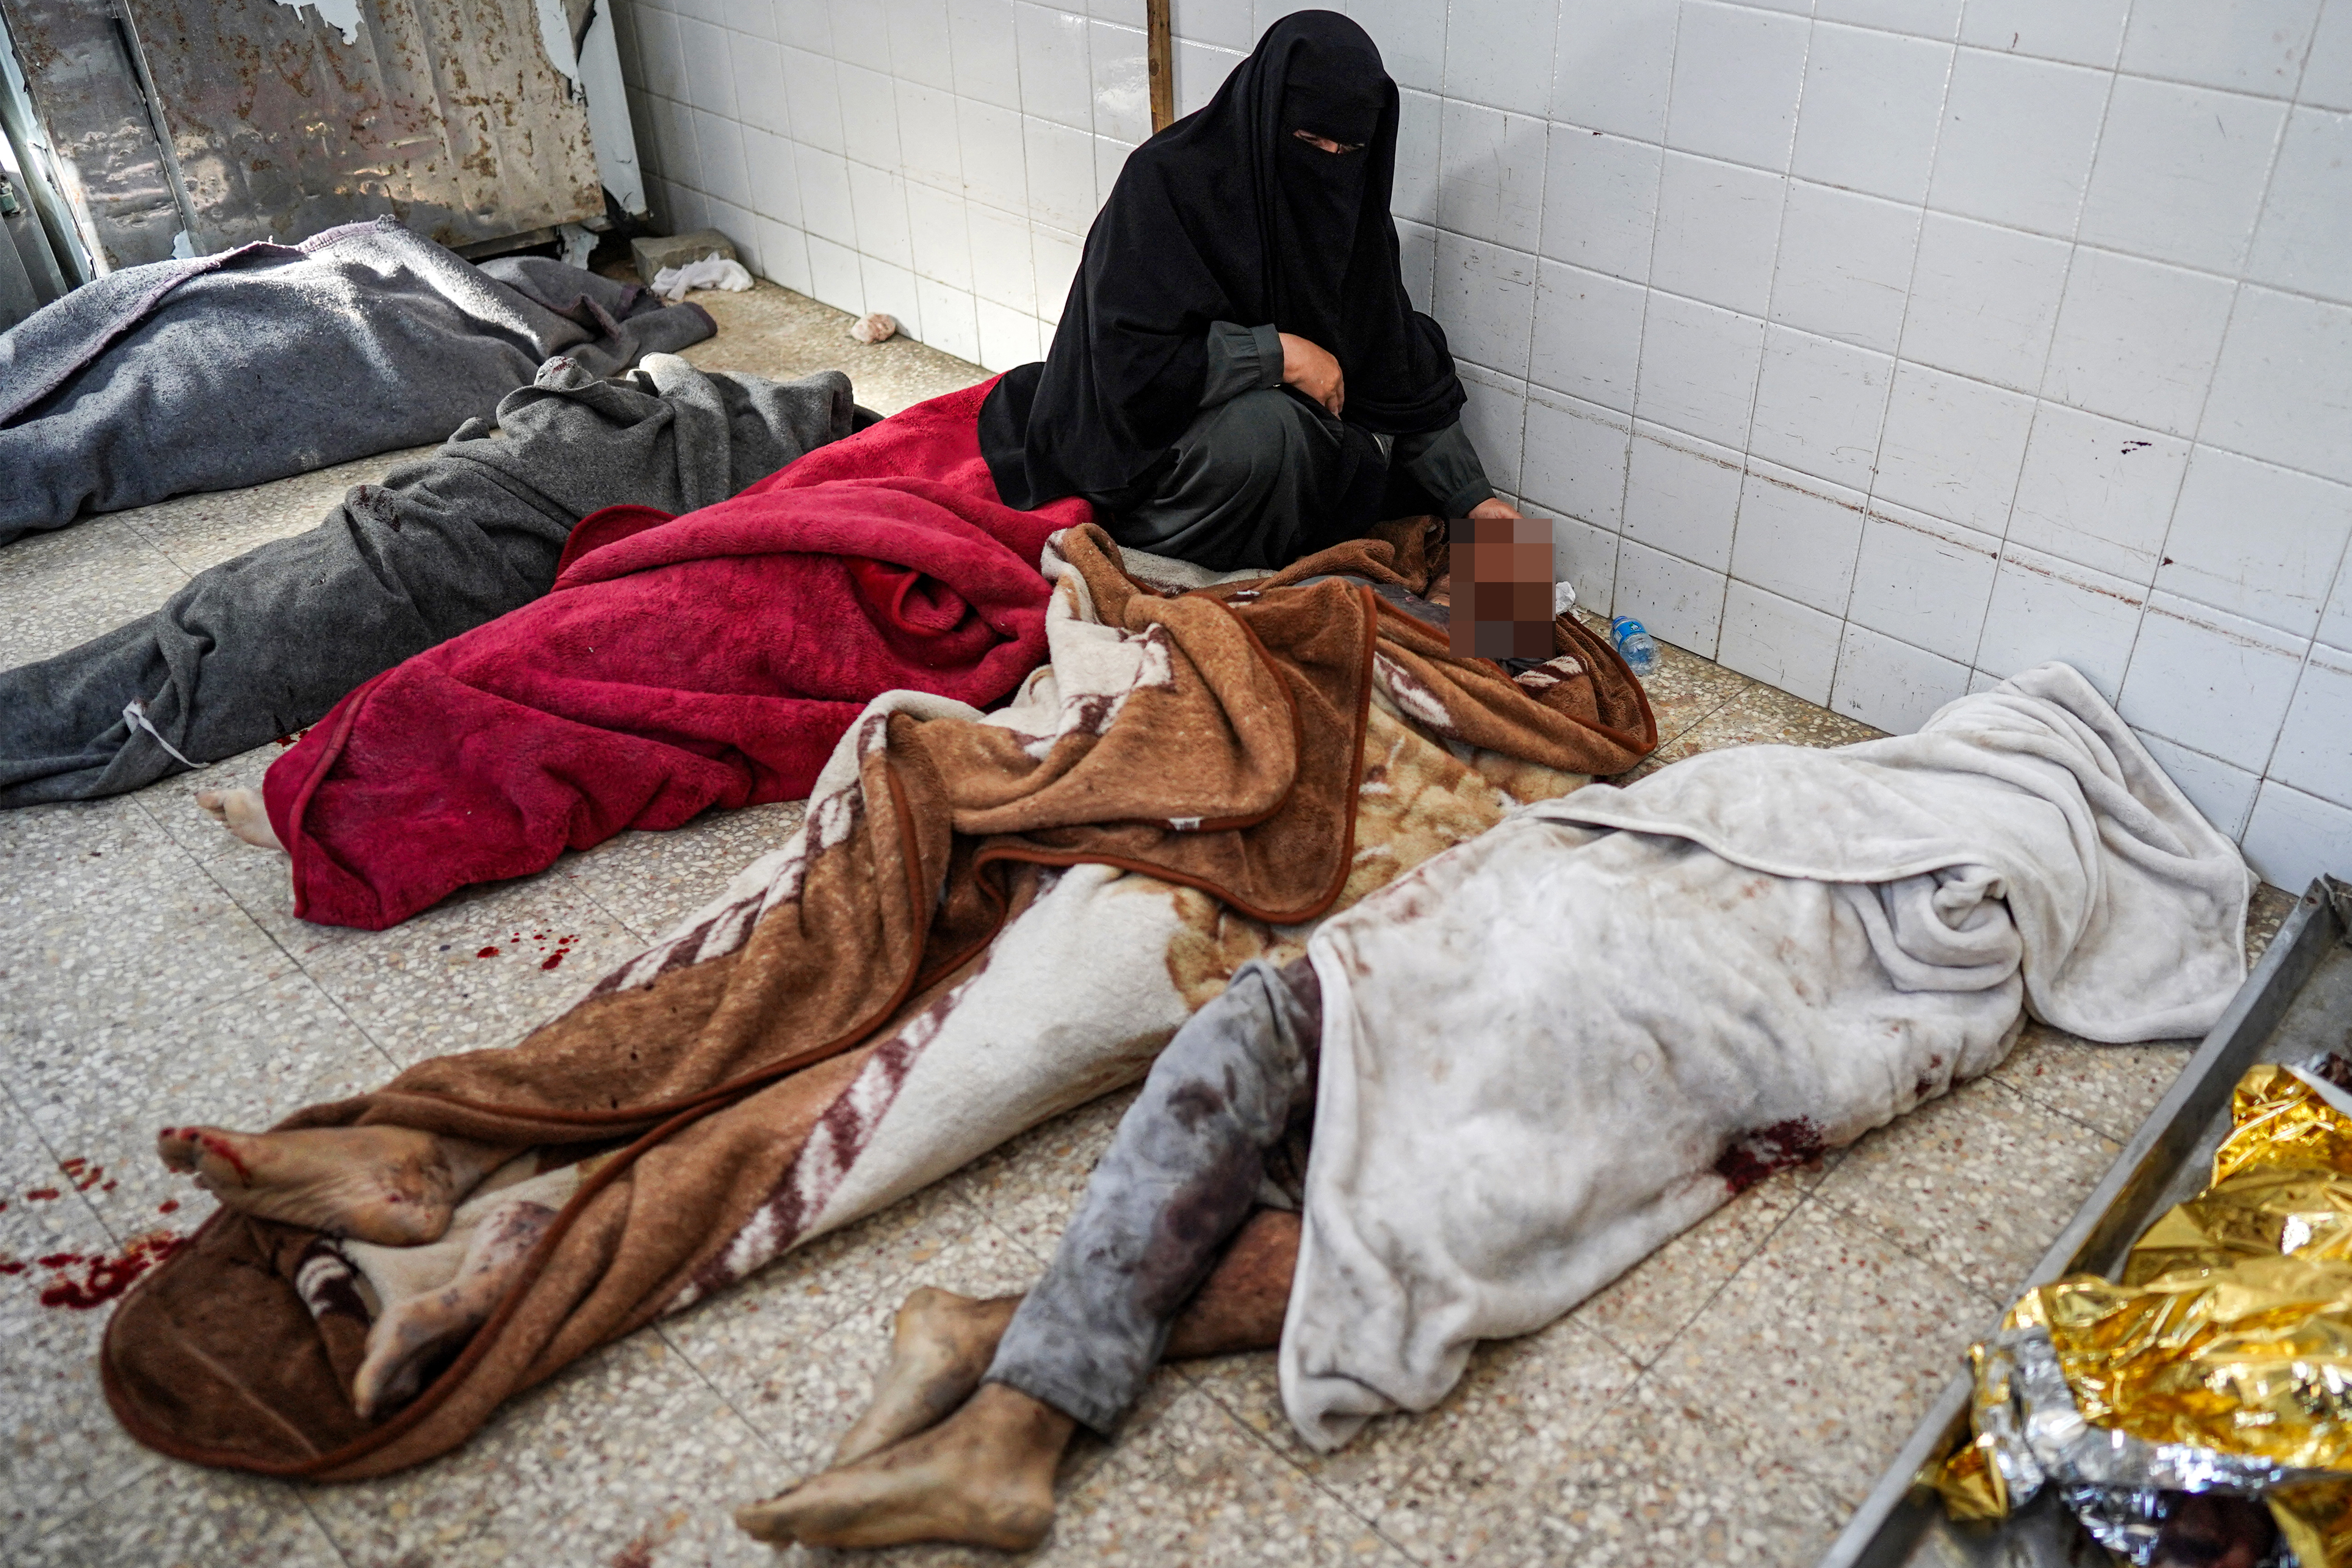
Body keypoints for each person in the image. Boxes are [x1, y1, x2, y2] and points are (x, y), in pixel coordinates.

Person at [979, 11, 1522, 572]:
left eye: (1350, 151)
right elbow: (1130, 366)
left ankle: (1491, 624)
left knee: (1412, 445)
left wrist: (1474, 499)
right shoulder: (1166, 184)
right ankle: (1162, 557)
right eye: (1312, 140)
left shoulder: (1349, 215)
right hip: (1143, 450)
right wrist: (1276, 354)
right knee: (1268, 435)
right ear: (1265, 114)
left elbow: (1393, 357)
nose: (1329, 166)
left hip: (1283, 443)